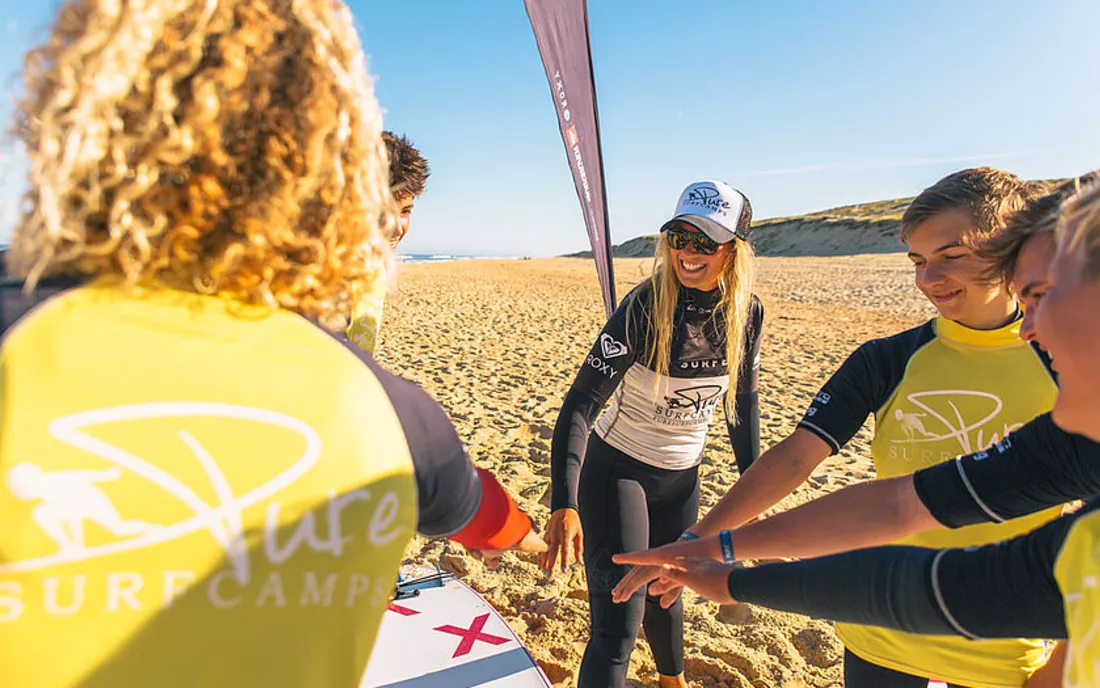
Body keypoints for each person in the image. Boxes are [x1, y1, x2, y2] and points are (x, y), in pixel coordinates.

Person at [0, 2, 543, 686]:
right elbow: (471, 507)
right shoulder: (390, 413)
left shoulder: (20, 343)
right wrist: (526, 532)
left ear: (72, 111)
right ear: (323, 178)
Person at [630, 179, 1100, 688]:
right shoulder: (893, 361)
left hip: (1000, 656)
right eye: (917, 261)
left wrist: (1055, 673)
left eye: (1041, 295)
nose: (929, 279)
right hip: (883, 635)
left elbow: (1022, 582)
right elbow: (893, 509)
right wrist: (715, 547)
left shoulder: (1066, 388)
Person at [541, 180, 765, 688]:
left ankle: (673, 682)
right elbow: (581, 404)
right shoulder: (645, 307)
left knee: (667, 601)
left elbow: (742, 408)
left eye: (705, 242)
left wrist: (754, 491)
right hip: (618, 475)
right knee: (618, 628)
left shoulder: (747, 314)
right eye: (679, 237)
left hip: (683, 480)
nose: (689, 252)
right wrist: (565, 501)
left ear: (734, 251)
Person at [346, 131, 430, 352]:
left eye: (405, 211)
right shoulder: (316, 281)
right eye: (382, 211)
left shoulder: (373, 272)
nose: (397, 227)